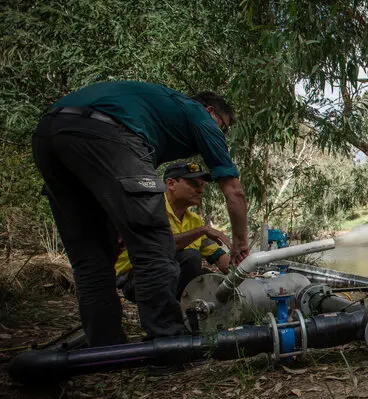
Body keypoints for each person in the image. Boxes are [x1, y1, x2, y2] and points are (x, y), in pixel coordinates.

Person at [32, 81, 250, 347]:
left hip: (47, 135)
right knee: (154, 246)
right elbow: (234, 191)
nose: (221, 134)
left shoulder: (155, 113)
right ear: (210, 111)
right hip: (104, 132)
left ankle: (106, 348)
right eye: (223, 127)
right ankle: (169, 341)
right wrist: (241, 242)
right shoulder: (197, 114)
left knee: (92, 257)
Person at [116, 161, 232, 303]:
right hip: (138, 278)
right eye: (194, 184)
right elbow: (164, 245)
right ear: (171, 184)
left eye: (202, 186)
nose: (201, 191)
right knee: (190, 257)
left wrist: (240, 270)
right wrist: (203, 230)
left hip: (172, 276)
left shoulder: (194, 220)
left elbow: (216, 255)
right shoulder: (149, 209)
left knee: (210, 279)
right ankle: (174, 311)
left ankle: (192, 311)